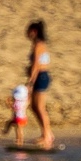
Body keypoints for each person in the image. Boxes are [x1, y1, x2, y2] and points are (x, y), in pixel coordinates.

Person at [24, 20, 55, 150]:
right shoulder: (39, 45)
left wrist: (30, 82)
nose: (27, 33)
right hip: (41, 76)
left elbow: (36, 65)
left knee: (39, 107)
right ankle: (46, 133)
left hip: (40, 77)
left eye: (29, 31)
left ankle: (47, 135)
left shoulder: (38, 46)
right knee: (33, 106)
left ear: (34, 32)